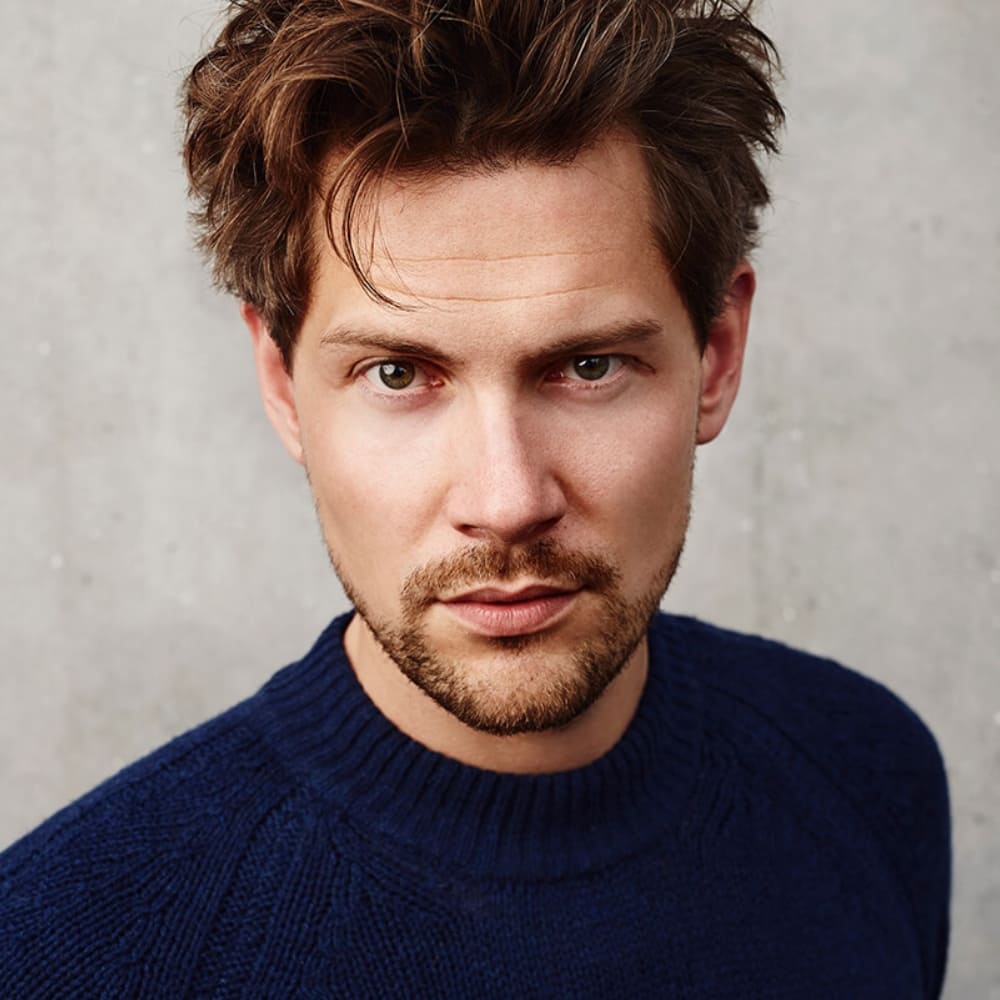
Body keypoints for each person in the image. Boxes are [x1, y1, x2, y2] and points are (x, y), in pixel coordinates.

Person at [0, 1, 950, 996]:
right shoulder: (62, 953)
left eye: (588, 366)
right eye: (398, 374)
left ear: (716, 355)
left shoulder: (865, 773)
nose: (506, 500)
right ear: (282, 385)